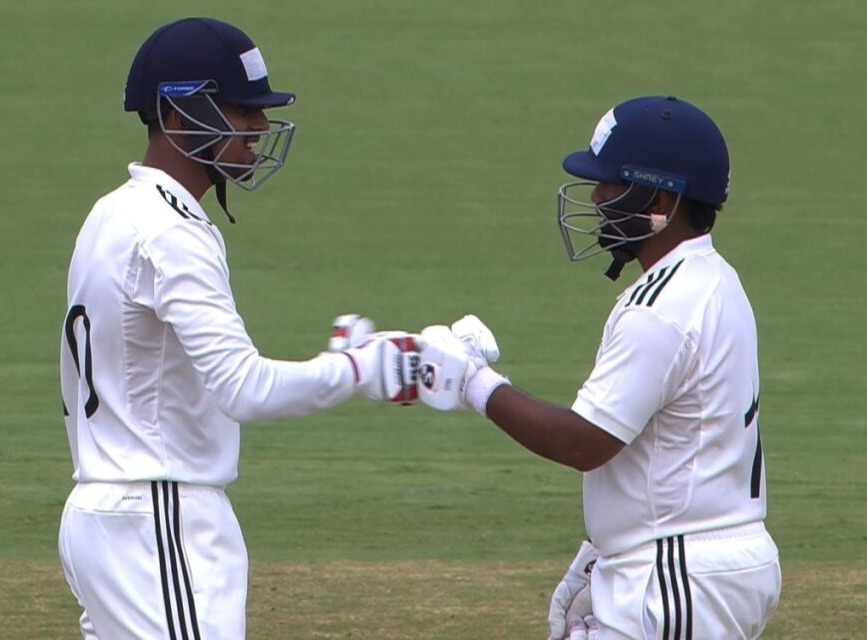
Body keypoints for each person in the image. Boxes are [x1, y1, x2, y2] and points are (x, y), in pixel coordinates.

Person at [57, 18, 420, 640]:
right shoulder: (172, 231)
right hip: (159, 517)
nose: (259, 128)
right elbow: (244, 389)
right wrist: (363, 368)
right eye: (241, 110)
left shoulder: (110, 213)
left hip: (106, 513)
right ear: (178, 115)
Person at [418, 96, 781, 638]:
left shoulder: (660, 308)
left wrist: (473, 381)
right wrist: (606, 548)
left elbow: (584, 442)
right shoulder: (713, 279)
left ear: (660, 201)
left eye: (612, 185)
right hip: (695, 561)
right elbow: (672, 446)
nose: (597, 198)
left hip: (679, 572)